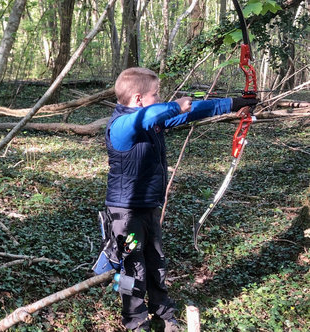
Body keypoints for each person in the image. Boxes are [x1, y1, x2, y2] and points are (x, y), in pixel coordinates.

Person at [104, 67, 257, 331]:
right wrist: (174, 105)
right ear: (138, 98)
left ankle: (164, 315)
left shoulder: (153, 121)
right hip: (124, 214)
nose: (159, 99)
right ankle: (135, 321)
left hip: (148, 208)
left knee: (155, 264)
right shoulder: (121, 126)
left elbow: (193, 110)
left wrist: (234, 103)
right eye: (155, 94)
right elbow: (153, 114)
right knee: (131, 269)